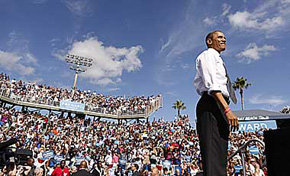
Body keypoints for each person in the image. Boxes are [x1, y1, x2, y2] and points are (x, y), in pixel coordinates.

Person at [193, 30, 239, 175]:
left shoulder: (218, 59)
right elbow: (212, 86)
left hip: (220, 104)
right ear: (209, 41)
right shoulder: (208, 55)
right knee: (213, 159)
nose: (224, 39)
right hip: (212, 104)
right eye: (219, 37)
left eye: (225, 37)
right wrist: (227, 110)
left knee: (219, 156)